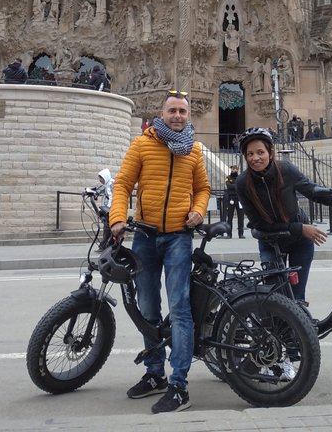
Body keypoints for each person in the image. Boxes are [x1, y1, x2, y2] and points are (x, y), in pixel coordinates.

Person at [109, 90, 210, 414]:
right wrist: (117, 218)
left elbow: (203, 189)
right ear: (161, 113)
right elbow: (123, 184)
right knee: (148, 307)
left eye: (183, 111)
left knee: (180, 308)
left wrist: (198, 210)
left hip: (179, 237)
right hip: (146, 238)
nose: (178, 116)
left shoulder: (193, 150)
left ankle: (179, 385)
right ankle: (155, 374)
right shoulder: (142, 144)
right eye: (173, 111)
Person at [235, 127, 332, 304]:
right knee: (274, 298)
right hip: (271, 241)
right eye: (250, 154)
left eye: (260, 152)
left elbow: (314, 192)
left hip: (299, 241)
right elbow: (258, 224)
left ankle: (297, 329)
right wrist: (300, 228)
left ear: (270, 152)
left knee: (297, 298)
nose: (255, 158)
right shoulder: (242, 183)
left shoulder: (286, 170)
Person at [94, 167, 114, 249]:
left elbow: (111, 197)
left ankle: (105, 246)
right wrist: (95, 193)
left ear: (105, 176)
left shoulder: (110, 184)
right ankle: (106, 245)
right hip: (107, 209)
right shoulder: (107, 183)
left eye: (101, 178)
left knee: (107, 228)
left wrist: (107, 209)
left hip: (109, 210)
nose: (100, 180)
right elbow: (100, 189)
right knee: (107, 228)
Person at [223, 165, 244, 238]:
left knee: (241, 217)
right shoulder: (228, 178)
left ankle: (241, 234)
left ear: (237, 169)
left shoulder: (240, 178)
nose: (233, 170)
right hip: (231, 199)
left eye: (235, 169)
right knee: (229, 217)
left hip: (239, 199)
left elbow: (241, 186)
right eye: (232, 169)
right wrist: (236, 186)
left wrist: (234, 186)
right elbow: (228, 186)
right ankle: (229, 234)